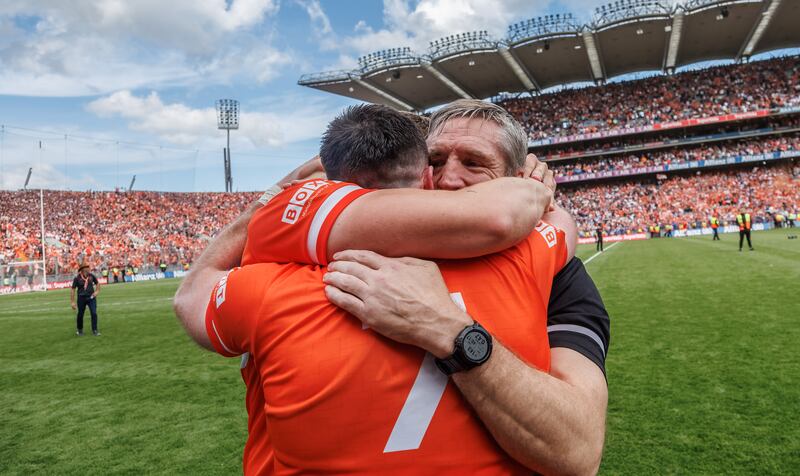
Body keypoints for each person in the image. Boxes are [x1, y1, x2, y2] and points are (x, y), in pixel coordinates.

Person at [176, 102, 610, 474]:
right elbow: (550, 225)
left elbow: (576, 453)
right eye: (436, 162)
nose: (449, 180)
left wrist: (452, 333)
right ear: (420, 171)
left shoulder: (273, 274)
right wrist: (536, 195)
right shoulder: (533, 255)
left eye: (474, 164)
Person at [71, 264, 101, 336]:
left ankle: (95, 330)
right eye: (87, 267)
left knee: (94, 313)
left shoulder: (91, 276)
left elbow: (97, 283)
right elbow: (73, 289)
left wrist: (97, 291)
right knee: (80, 314)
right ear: (82, 269)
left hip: (91, 297)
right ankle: (80, 330)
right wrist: (72, 302)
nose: (88, 268)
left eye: (88, 267)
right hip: (81, 298)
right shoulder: (77, 278)